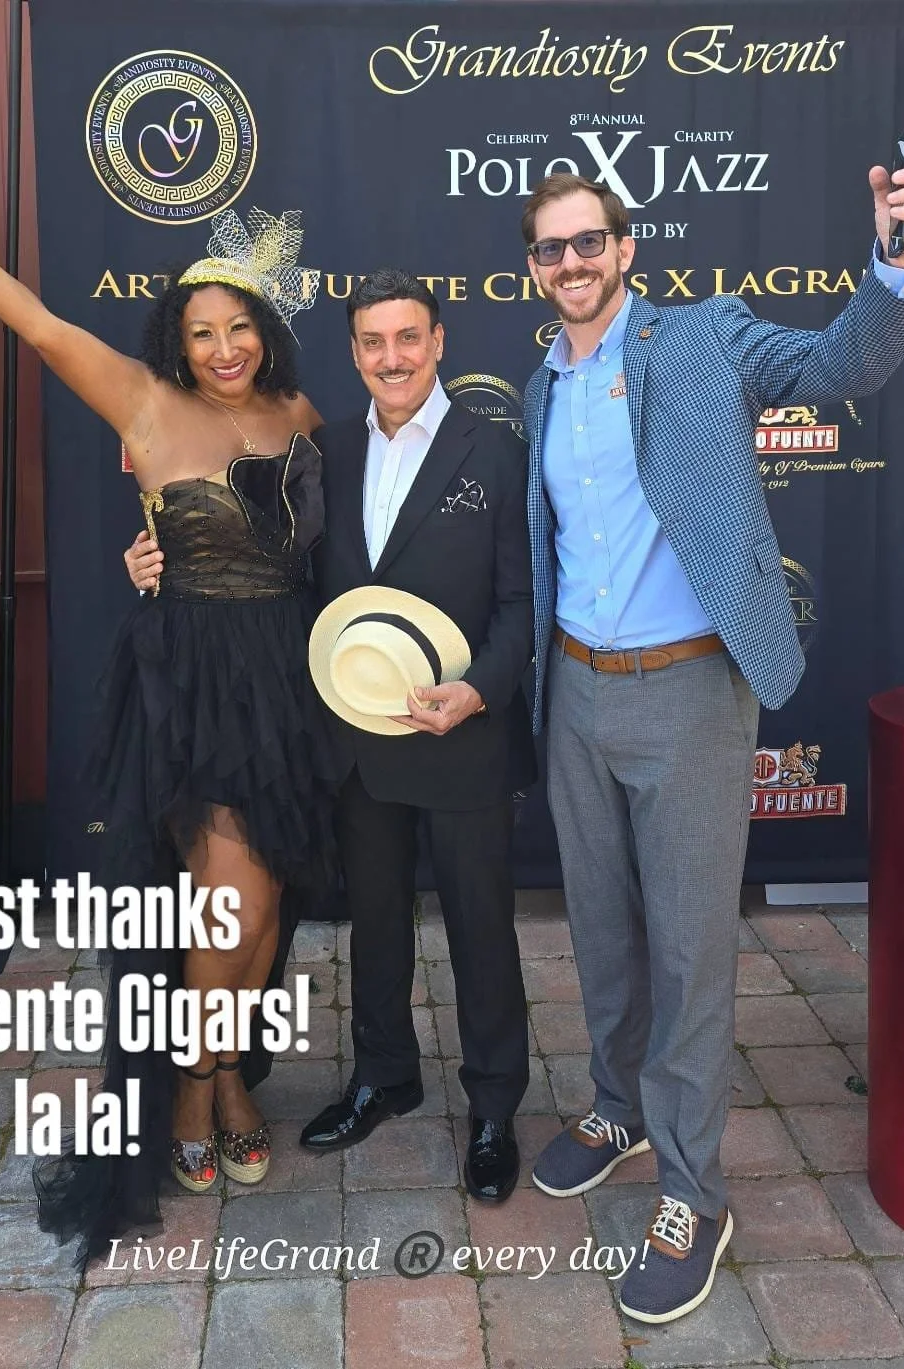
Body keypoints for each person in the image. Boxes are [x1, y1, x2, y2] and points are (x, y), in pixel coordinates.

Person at [0, 176, 344, 1265]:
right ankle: (195, 1095)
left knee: (263, 914)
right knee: (225, 910)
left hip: (292, 680)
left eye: (239, 327)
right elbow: (42, 325)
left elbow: (325, 551)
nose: (222, 348)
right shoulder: (142, 405)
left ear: (266, 330)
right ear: (176, 337)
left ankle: (226, 1068)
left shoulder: (299, 418)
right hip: (195, 683)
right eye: (201, 331)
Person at [518, 122, 904, 1324]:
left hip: (693, 689)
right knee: (602, 930)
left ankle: (693, 1189)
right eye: (551, 249)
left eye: (589, 242)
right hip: (576, 690)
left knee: (693, 948)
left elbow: (836, 368)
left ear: (626, 247)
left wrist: (897, 259)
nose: (572, 262)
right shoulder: (540, 378)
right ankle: (615, 1104)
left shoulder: (704, 334)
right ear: (534, 267)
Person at [297, 269, 534, 1203]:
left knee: (482, 927)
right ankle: (384, 1075)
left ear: (440, 341)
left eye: (407, 338)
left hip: (464, 733)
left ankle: (494, 1105)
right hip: (359, 733)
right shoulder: (325, 451)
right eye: (371, 342)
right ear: (354, 352)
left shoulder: (497, 452)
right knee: (378, 922)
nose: (390, 358)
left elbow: (521, 603)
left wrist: (479, 689)